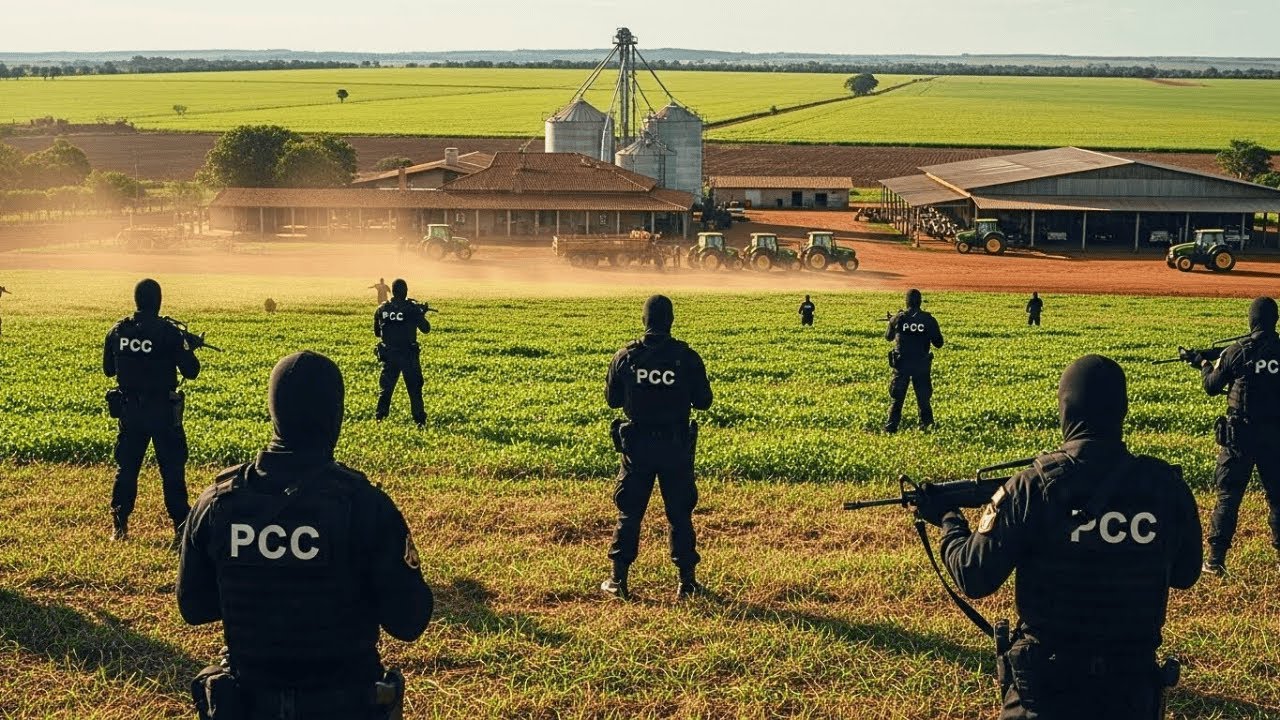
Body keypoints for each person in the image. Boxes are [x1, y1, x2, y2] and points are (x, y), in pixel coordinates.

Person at [918, 354, 1202, 719]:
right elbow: (1185, 574)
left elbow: (973, 574)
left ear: (1065, 410)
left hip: (1047, 690)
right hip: (1131, 688)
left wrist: (948, 519)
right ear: (1122, 410)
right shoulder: (1166, 486)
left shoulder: (1033, 486)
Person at [178, 351, 433, 719]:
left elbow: (194, 607)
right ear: (335, 416)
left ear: (274, 412)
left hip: (248, 703)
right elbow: (409, 621)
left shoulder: (219, 501)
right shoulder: (364, 505)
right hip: (345, 703)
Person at [603, 295, 714, 600]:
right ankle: (687, 583)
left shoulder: (626, 357)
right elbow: (704, 402)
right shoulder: (687, 358)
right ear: (671, 321)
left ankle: (618, 581)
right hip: (675, 446)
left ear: (644, 321)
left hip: (637, 446)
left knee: (629, 512)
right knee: (680, 514)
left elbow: (612, 400)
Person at [103, 279, 200, 545]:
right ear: (159, 301)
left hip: (130, 411)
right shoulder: (169, 333)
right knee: (172, 470)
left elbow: (109, 370)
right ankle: (180, 527)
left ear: (136, 301)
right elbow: (192, 371)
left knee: (127, 468)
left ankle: (119, 526)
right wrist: (187, 346)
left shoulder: (118, 331)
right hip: (162, 412)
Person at [1196, 296, 1280, 576]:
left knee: (1228, 498)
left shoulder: (1237, 351)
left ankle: (1215, 561)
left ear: (1251, 321)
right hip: (1275, 437)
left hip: (1240, 437)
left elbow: (1211, 386)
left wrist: (1203, 364)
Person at [884, 288, 943, 433]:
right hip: (921, 365)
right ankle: (927, 426)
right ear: (920, 302)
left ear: (907, 302)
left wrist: (892, 320)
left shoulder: (898, 318)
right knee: (923, 399)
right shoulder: (928, 320)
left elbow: (888, 337)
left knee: (897, 399)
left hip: (901, 364)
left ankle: (891, 427)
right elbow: (939, 343)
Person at [374, 279, 430, 427]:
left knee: (386, 389)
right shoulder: (412, 309)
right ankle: (420, 421)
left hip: (389, 355)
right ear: (406, 292)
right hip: (408, 356)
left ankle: (379, 418)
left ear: (392, 291)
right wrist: (421, 313)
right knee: (414, 389)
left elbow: (377, 333)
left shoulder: (382, 309)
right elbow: (426, 329)